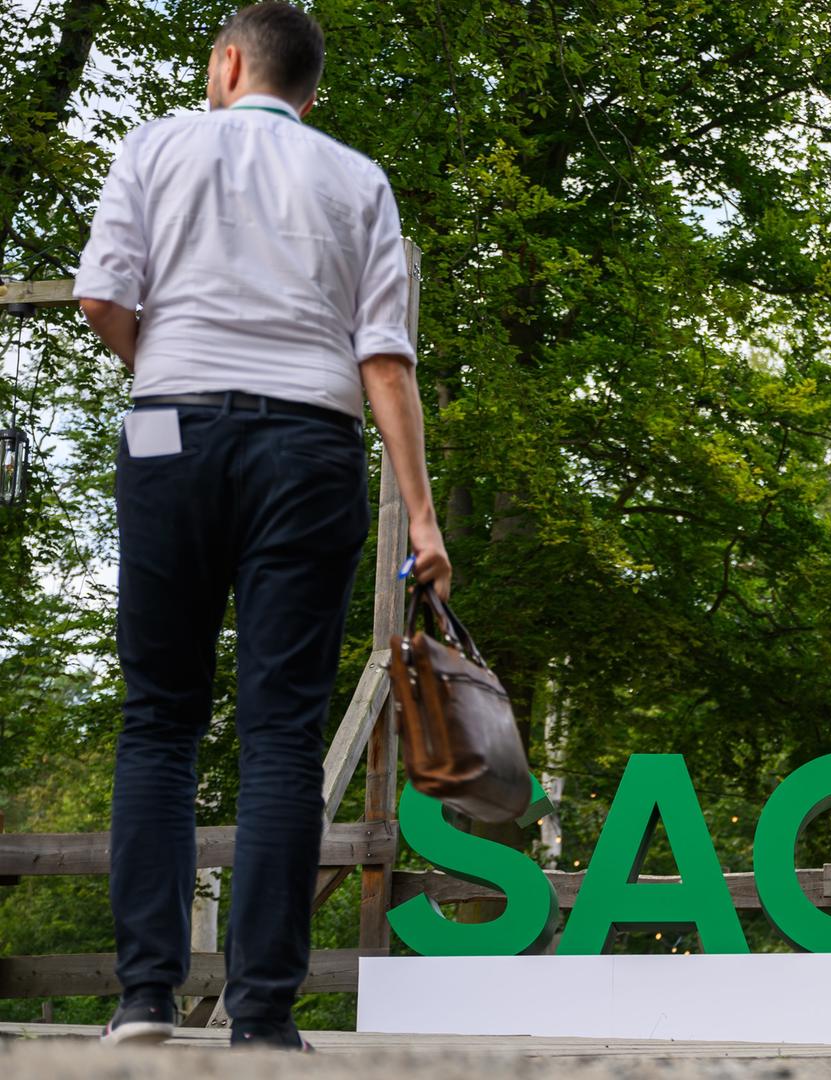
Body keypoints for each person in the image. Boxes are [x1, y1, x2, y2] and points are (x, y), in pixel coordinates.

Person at [75, 3, 450, 1050]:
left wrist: (173, 377)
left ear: (228, 64)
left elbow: (102, 297)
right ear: (309, 91)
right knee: (280, 732)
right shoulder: (355, 178)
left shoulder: (152, 147)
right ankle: (265, 1012)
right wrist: (421, 516)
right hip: (310, 444)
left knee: (158, 715)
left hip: (169, 435)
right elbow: (385, 358)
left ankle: (144, 997)